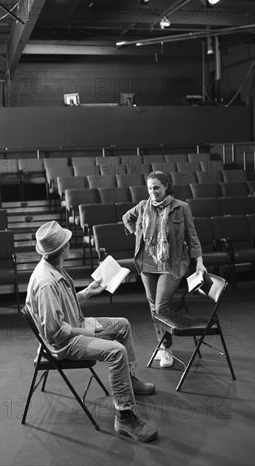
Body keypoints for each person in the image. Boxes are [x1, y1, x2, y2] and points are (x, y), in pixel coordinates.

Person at [26, 220, 158, 443]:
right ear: (63, 248)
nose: (70, 243)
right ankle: (124, 416)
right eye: (67, 241)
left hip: (73, 326)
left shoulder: (52, 267)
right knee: (116, 352)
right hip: (65, 342)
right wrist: (89, 334)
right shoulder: (46, 282)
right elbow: (55, 333)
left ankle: (130, 379)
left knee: (123, 325)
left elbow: (63, 307)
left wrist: (88, 291)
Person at [122, 171, 206, 368]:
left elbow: (192, 237)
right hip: (147, 264)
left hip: (172, 263)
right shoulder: (143, 206)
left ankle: (166, 347)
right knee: (153, 307)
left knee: (161, 307)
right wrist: (137, 233)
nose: (153, 192)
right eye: (150, 188)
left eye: (156, 188)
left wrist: (199, 261)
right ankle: (162, 346)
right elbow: (127, 217)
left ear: (166, 186)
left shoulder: (181, 207)